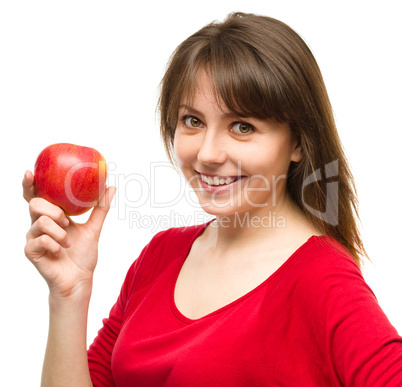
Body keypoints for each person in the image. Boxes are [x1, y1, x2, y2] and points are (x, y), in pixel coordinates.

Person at [23, 12, 402, 386]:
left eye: (242, 127)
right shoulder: (161, 255)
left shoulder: (323, 280)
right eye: (192, 121)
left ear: (298, 142)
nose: (207, 154)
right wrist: (68, 294)